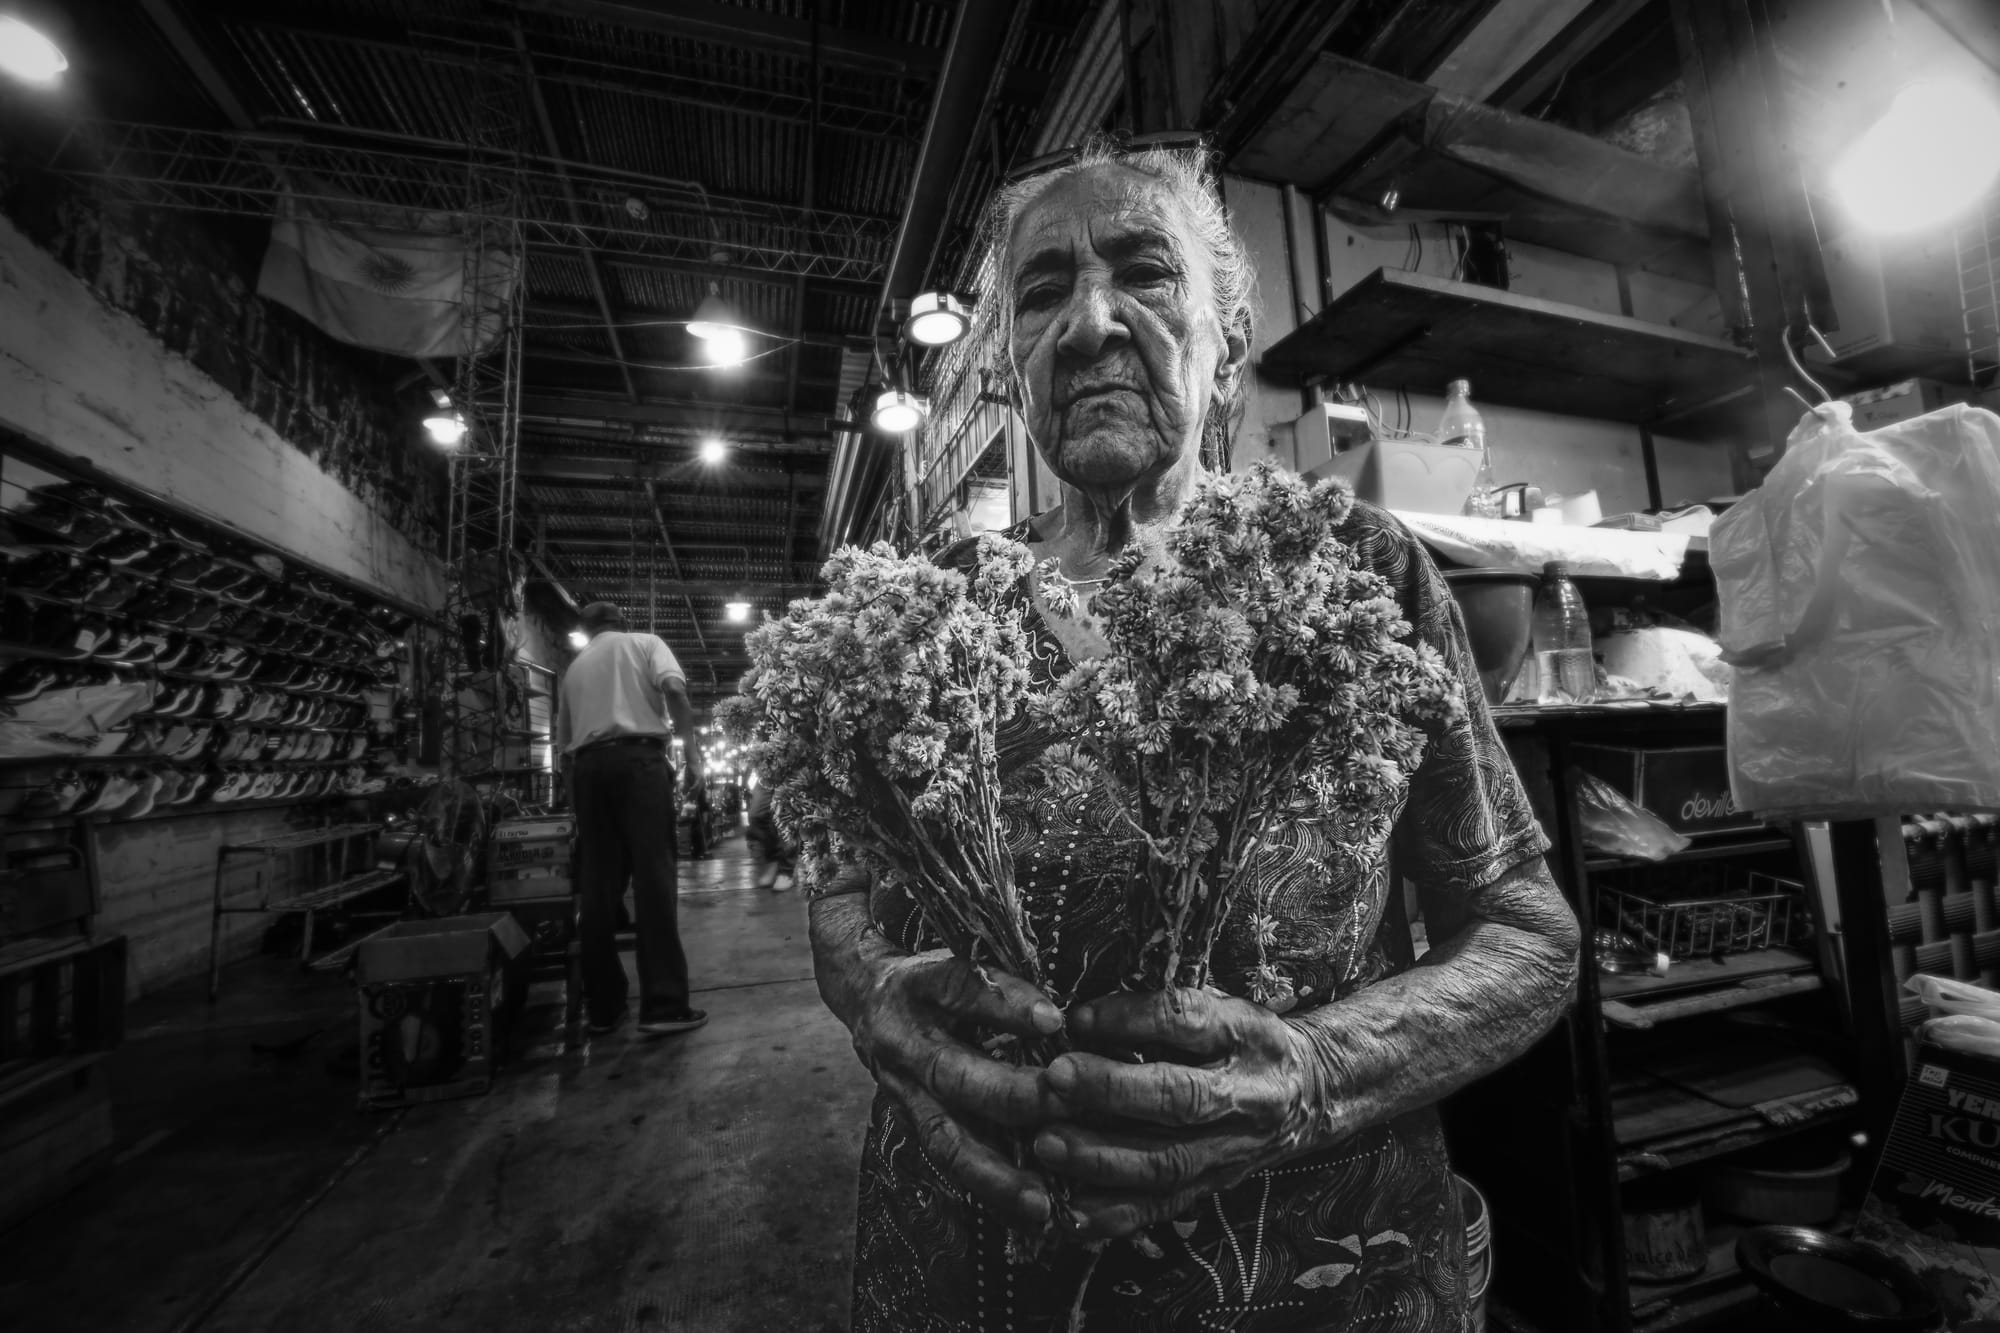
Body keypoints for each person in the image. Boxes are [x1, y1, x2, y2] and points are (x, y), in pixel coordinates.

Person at [807, 136, 1580, 1331]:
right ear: (1011, 362)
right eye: (1043, 291)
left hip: (1309, 1268)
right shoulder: (924, 602)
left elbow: (1527, 934)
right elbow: (838, 885)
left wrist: (1316, 1072)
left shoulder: (1353, 572)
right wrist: (873, 998)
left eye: (1144, 275)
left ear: (1226, 346)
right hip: (973, 1267)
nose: (1088, 323)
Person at [555, 601, 707, 1037]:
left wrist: (576, 805)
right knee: (654, 879)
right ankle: (662, 1005)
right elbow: (675, 691)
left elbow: (565, 749)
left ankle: (603, 1007)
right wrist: (692, 757)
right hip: (639, 764)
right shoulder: (645, 643)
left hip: (588, 772)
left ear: (586, 630)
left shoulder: (575, 670)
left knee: (598, 887)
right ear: (622, 623)